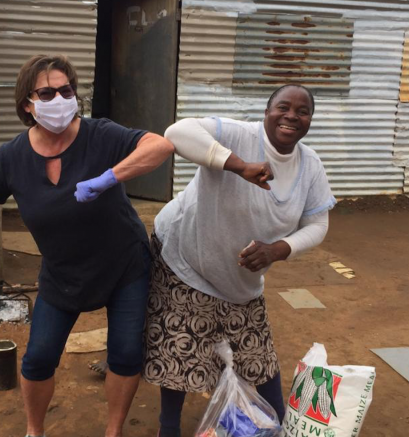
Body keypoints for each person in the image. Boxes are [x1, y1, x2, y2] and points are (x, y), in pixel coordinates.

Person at [0, 55, 174, 437]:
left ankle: (113, 430)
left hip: (123, 265)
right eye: (47, 92)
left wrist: (109, 177)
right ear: (28, 103)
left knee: (124, 352)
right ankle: (34, 431)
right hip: (62, 272)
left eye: (66, 90)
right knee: (38, 358)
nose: (59, 98)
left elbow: (160, 145)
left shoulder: (100, 135)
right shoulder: (13, 157)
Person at [143, 84, 336, 436]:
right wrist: (239, 166)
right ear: (267, 111)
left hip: (242, 279)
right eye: (283, 107)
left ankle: (276, 422)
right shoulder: (238, 135)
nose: (292, 115)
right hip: (186, 259)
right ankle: (167, 427)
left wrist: (278, 249)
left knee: (258, 356)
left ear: (310, 120)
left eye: (302, 111)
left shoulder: (310, 166)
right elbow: (177, 132)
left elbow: (318, 223)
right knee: (182, 347)